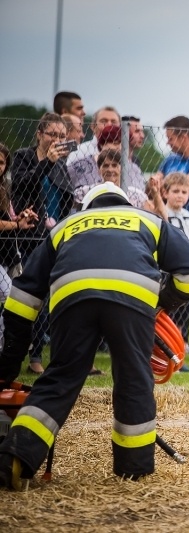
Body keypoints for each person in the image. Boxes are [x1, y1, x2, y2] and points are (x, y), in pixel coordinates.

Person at [0, 182, 189, 490]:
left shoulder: (67, 226)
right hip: (132, 298)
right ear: (124, 203)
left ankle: (14, 458)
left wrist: (11, 360)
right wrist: (162, 303)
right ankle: (133, 470)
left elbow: (23, 295)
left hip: (72, 298)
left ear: (88, 208)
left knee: (60, 379)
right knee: (134, 379)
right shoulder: (148, 220)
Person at [10, 113, 71, 375]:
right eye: (52, 134)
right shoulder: (23, 156)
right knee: (23, 295)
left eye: (62, 136)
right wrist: (46, 162)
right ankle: (14, 348)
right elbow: (22, 186)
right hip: (25, 236)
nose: (57, 140)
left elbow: (67, 197)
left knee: (47, 296)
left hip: (52, 238)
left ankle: (36, 354)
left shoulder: (62, 165)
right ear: (39, 134)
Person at [0, 145, 39, 349]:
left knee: (9, 299)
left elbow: (9, 218)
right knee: (11, 296)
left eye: (1, 163)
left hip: (5, 254)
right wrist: (15, 225)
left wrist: (21, 218)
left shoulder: (4, 187)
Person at [162, 172, 189, 357]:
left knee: (186, 308)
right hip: (169, 269)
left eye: (184, 192)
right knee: (169, 307)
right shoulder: (162, 214)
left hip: (186, 269)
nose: (180, 196)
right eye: (175, 191)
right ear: (165, 193)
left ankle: (182, 341)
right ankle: (166, 343)